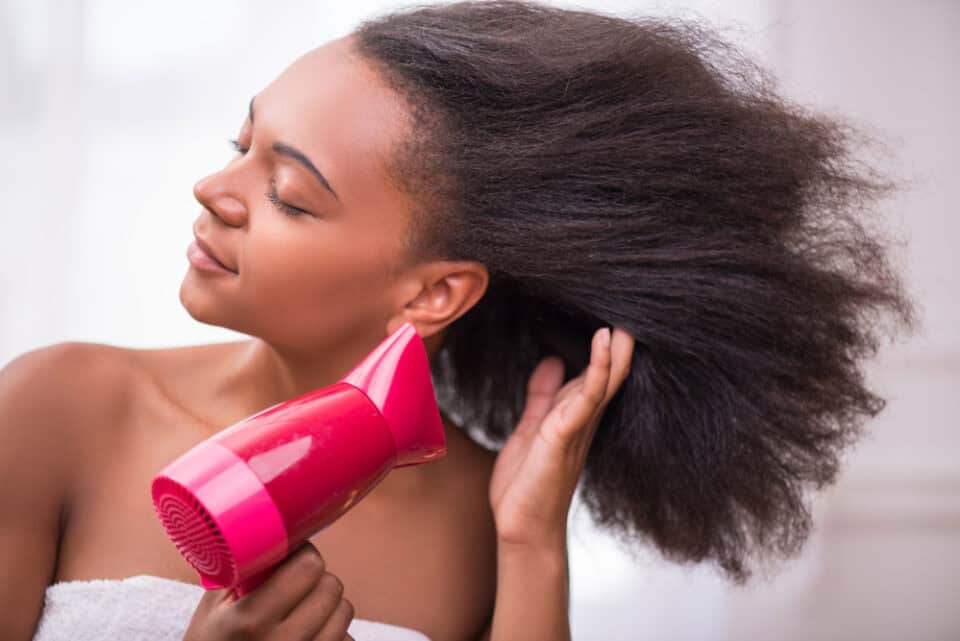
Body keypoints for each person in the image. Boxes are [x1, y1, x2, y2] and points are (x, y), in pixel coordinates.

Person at [0, 1, 916, 640]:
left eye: (286, 193)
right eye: (240, 146)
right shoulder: (60, 410)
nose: (213, 189)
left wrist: (528, 545)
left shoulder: (481, 525)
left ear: (433, 294)